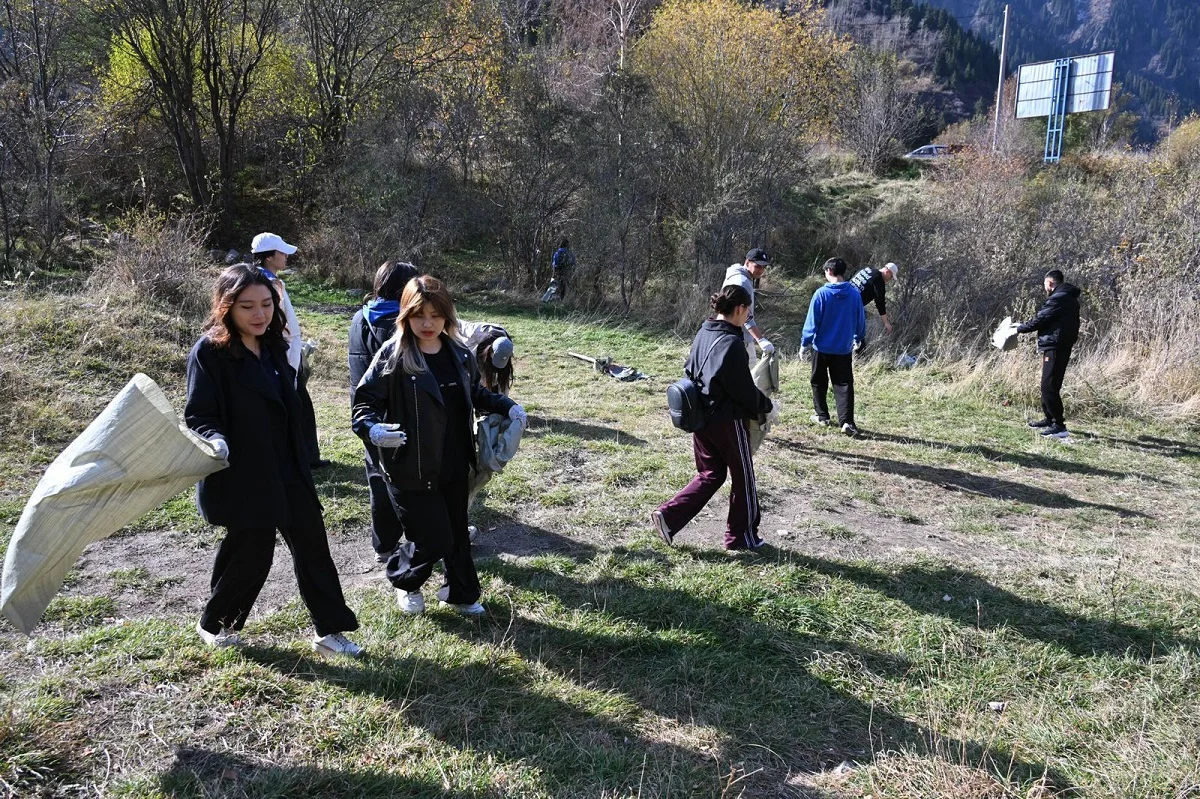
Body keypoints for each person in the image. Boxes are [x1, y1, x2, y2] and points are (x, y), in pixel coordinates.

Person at [185, 264, 362, 656]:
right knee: (251, 552)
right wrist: (216, 440)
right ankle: (217, 624)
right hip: (244, 473)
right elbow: (199, 414)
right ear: (226, 307)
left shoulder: (274, 345)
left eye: (266, 304)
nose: (259, 314)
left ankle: (330, 630)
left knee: (314, 546)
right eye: (247, 306)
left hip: (289, 467)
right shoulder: (209, 353)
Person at [352, 276, 527, 616]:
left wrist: (507, 406)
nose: (427, 323)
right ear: (406, 316)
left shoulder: (460, 354)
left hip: (455, 460)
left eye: (435, 314)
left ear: (448, 316)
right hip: (409, 465)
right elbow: (363, 404)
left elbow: (474, 393)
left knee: (457, 533)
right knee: (431, 538)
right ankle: (405, 582)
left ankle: (461, 593)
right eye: (419, 315)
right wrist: (373, 430)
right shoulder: (394, 355)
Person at [651, 285, 773, 551]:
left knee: (711, 473)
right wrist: (766, 405)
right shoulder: (732, 343)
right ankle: (741, 537)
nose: (748, 317)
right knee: (744, 479)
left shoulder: (704, 331)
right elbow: (743, 391)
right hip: (728, 422)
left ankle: (668, 517)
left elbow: (690, 368)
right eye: (748, 312)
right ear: (739, 309)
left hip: (701, 418)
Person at [349, 260, 420, 562]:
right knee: (413, 480)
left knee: (377, 477)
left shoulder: (358, 318)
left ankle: (384, 545)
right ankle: (421, 537)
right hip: (403, 414)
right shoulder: (402, 323)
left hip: (366, 413)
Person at [251, 232, 328, 469]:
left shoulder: (271, 281)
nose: (286, 257)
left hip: (287, 351)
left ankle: (305, 457)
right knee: (293, 405)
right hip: (281, 354)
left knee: (299, 403)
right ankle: (298, 458)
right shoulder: (265, 284)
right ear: (268, 257)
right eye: (281, 252)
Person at [802, 257, 866, 436]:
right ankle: (846, 422)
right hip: (843, 349)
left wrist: (804, 342)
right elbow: (861, 320)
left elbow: (812, 322)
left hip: (821, 348)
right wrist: (858, 337)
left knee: (818, 381)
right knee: (844, 384)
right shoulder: (854, 294)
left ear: (829, 272)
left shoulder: (821, 294)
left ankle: (822, 415)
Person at [1016, 269, 1081, 438]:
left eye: (1044, 284)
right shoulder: (1067, 297)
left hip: (1056, 345)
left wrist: (1019, 328)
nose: (1044, 288)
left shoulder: (1059, 298)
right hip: (1058, 344)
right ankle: (1049, 419)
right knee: (1049, 383)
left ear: (1050, 283)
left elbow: (1041, 319)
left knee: (1049, 385)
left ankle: (1058, 426)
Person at [722, 247, 775, 362]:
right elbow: (745, 315)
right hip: (740, 338)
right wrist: (760, 340)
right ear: (747, 262)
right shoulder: (742, 282)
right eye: (757, 266)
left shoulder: (735, 276)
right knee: (748, 375)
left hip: (727, 333)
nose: (761, 270)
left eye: (763, 267)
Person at [456, 320, 514, 395]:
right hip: (472, 354)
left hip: (485, 355)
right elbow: (461, 325)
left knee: (502, 375)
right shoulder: (477, 332)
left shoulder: (507, 346)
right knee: (479, 383)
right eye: (497, 358)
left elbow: (505, 379)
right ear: (491, 350)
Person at [850, 261, 899, 335]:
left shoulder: (868, 269)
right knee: (858, 333)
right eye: (891, 276)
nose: (890, 279)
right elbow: (880, 303)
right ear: (887, 272)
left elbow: (852, 276)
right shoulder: (879, 281)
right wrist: (886, 323)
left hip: (844, 295)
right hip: (851, 305)